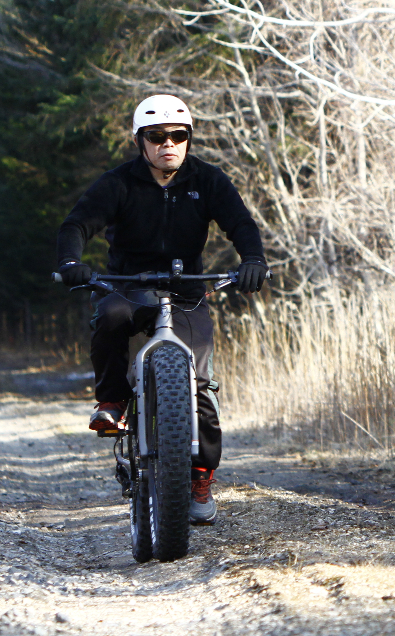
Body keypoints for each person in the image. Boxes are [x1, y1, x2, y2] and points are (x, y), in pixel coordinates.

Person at [55, 95, 268, 524]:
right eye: (156, 136)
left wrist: (253, 261)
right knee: (110, 316)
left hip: (186, 293)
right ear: (140, 141)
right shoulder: (118, 183)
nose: (167, 143)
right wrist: (71, 262)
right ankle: (112, 400)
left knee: (201, 386)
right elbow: (77, 224)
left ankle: (201, 478)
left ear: (188, 138)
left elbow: (241, 224)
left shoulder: (208, 180)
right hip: (129, 287)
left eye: (177, 135)